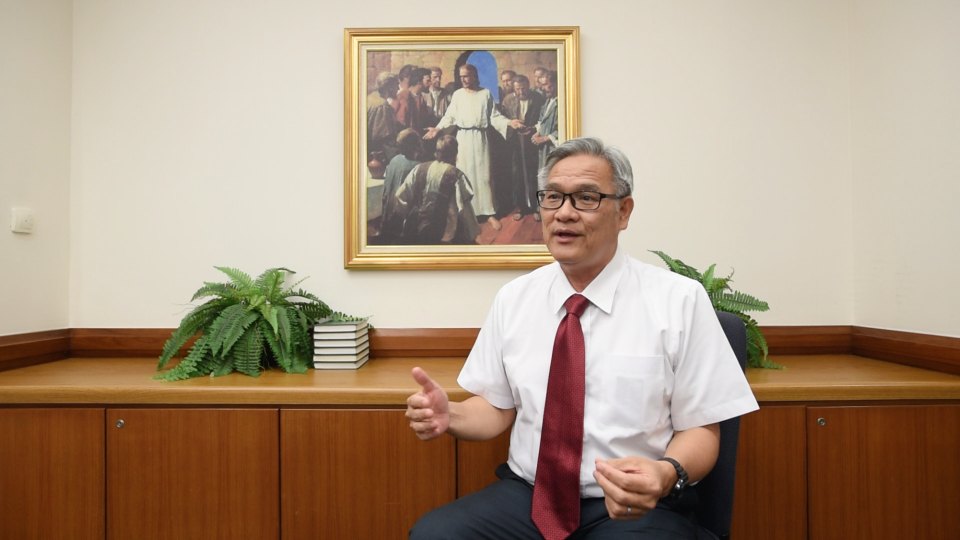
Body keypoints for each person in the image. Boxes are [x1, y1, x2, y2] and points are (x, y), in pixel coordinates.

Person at [406, 137, 759, 539]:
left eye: (586, 198)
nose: (564, 214)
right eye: (552, 197)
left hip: (632, 504)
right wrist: (450, 415)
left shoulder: (678, 300)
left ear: (623, 211)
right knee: (435, 534)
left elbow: (702, 429)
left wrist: (664, 473)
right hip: (529, 497)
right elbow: (495, 406)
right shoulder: (515, 298)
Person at [424, 64, 524, 231]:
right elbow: (449, 117)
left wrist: (509, 122)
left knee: (484, 176)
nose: (463, 79)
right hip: (463, 139)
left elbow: (495, 116)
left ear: (474, 76)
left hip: (481, 139)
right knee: (465, 174)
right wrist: (437, 128)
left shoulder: (485, 94)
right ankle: (467, 214)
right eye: (461, 76)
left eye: (466, 76)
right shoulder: (457, 95)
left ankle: (488, 212)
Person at [393, 134, 482, 245]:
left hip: (417, 229)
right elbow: (464, 210)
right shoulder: (456, 175)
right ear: (455, 154)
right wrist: (472, 234)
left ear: (437, 152)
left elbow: (399, 195)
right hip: (444, 234)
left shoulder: (419, 168)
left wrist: (406, 216)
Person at [500, 75, 545, 222]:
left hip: (532, 141)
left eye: (524, 88)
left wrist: (532, 129)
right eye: (518, 89)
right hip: (514, 142)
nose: (521, 92)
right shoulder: (507, 100)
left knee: (533, 173)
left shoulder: (538, 98)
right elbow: (503, 120)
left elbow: (543, 119)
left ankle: (536, 208)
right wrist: (513, 126)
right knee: (517, 174)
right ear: (514, 88)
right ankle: (521, 207)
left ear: (528, 86)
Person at [378, 129, 422, 244]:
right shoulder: (416, 166)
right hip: (401, 218)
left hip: (388, 214)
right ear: (416, 144)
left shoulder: (394, 160)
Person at [532, 70, 560, 170]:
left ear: (556, 83)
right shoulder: (548, 101)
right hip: (544, 151)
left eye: (545, 85)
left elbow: (564, 129)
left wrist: (544, 139)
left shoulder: (563, 103)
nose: (543, 88)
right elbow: (542, 121)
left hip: (555, 150)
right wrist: (538, 133)